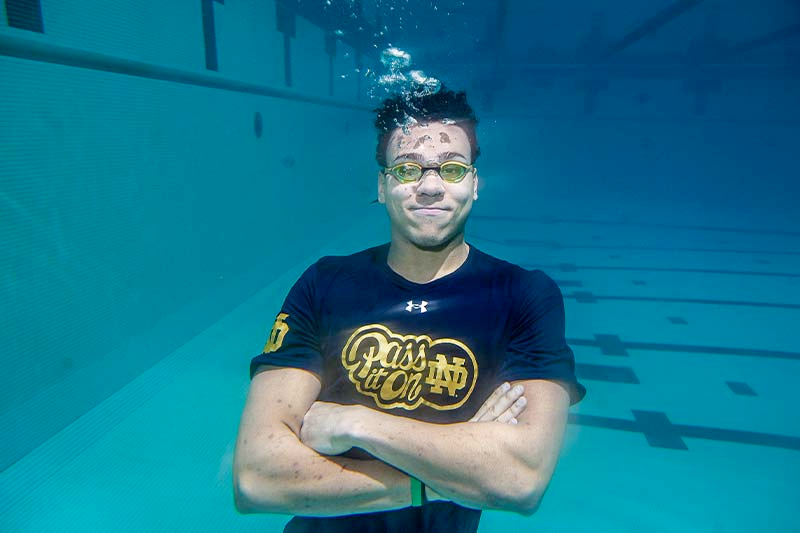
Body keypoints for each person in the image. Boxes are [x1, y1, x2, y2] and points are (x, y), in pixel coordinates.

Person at [232, 87, 586, 532]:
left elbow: (521, 480)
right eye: (407, 169)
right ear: (382, 186)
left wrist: (355, 423)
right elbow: (256, 478)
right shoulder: (326, 283)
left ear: (474, 184)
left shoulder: (523, 295)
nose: (431, 186)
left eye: (452, 169)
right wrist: (438, 482)